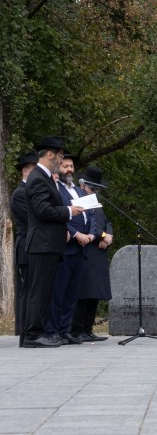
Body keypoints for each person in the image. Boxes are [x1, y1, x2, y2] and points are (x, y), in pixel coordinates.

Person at [23, 136, 84, 348]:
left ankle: (39, 332)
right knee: (39, 292)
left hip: (49, 244)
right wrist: (69, 210)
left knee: (45, 291)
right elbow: (42, 210)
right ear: (50, 154)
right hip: (42, 244)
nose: (61, 159)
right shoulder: (39, 177)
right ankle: (32, 335)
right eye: (59, 156)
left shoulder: (47, 177)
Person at [48, 155, 98, 344]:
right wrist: (77, 234)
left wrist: (92, 235)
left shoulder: (80, 190)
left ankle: (65, 330)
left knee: (72, 294)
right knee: (59, 292)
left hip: (82, 250)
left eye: (71, 166)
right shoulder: (55, 190)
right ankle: (53, 330)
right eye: (65, 166)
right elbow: (58, 216)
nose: (69, 169)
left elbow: (92, 215)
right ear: (58, 168)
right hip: (66, 247)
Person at [72, 165, 114, 342]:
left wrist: (109, 233)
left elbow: (106, 221)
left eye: (97, 189)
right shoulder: (79, 201)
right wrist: (103, 236)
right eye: (92, 188)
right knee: (84, 293)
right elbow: (92, 225)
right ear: (82, 186)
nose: (95, 191)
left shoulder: (95, 201)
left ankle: (88, 329)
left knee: (95, 293)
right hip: (86, 250)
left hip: (99, 253)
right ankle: (78, 329)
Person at [9, 151, 39, 345]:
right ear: (26, 170)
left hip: (35, 245)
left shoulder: (30, 192)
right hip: (27, 246)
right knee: (28, 291)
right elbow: (32, 220)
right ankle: (25, 334)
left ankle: (34, 330)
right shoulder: (20, 194)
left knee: (34, 290)